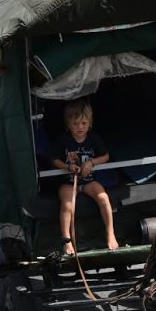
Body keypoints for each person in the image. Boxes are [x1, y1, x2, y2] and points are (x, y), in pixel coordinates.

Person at [51, 98, 118, 254]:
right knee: (67, 205)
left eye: (83, 123)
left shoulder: (93, 139)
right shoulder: (63, 140)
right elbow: (54, 160)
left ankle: (110, 234)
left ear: (90, 123)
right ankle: (66, 240)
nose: (80, 127)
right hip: (68, 181)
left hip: (88, 181)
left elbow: (106, 156)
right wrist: (67, 166)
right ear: (68, 124)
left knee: (103, 198)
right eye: (75, 124)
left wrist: (91, 163)